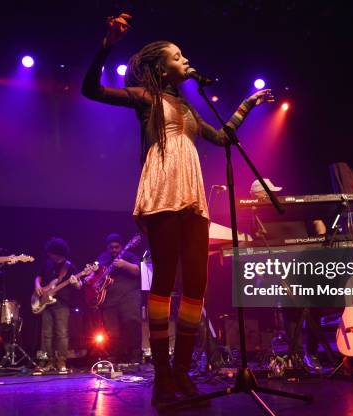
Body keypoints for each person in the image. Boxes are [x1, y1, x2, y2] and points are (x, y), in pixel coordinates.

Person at [82, 13, 274, 406]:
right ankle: (162, 376)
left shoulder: (187, 109)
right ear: (158, 67)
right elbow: (91, 90)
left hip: (193, 196)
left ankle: (183, 371)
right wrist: (107, 44)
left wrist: (247, 105)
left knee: (197, 286)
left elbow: (223, 137)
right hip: (163, 191)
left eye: (184, 55)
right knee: (165, 280)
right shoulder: (145, 97)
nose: (185, 60)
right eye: (177, 55)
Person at [34, 237, 83, 372]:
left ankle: (61, 361)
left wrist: (76, 283)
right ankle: (47, 361)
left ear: (58, 253)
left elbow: (80, 285)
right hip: (45, 302)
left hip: (62, 303)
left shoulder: (69, 266)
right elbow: (38, 276)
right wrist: (37, 285)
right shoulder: (47, 263)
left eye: (51, 253)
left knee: (61, 333)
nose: (49, 255)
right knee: (46, 333)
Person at [96, 233, 141, 364]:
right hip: (109, 299)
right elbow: (96, 273)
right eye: (111, 247)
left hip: (129, 296)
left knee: (132, 322)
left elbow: (138, 270)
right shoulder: (103, 257)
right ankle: (114, 357)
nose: (114, 250)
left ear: (122, 246)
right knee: (111, 330)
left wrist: (124, 264)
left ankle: (135, 355)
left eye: (117, 247)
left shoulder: (129, 256)